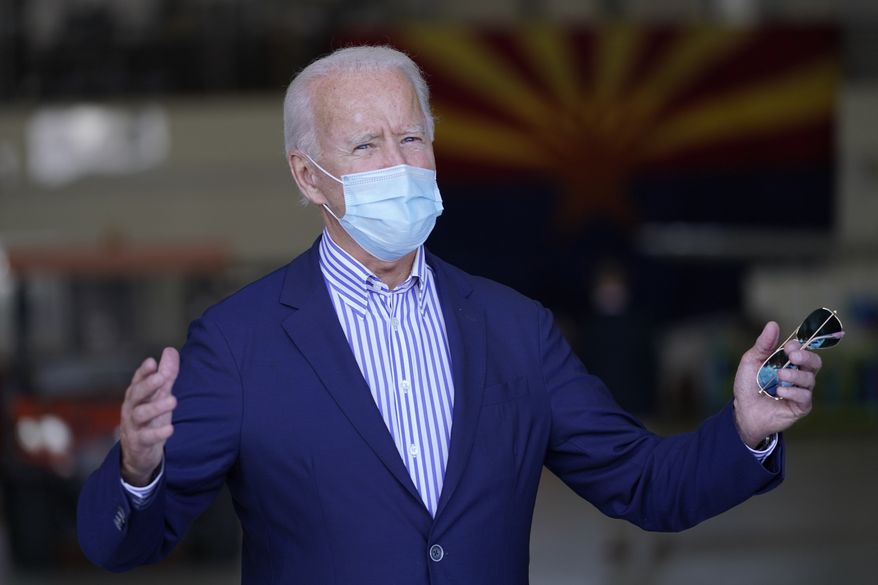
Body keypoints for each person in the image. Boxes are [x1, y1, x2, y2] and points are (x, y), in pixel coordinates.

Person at [77, 46, 820, 585]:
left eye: (411, 138)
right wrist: (137, 473)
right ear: (308, 176)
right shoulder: (239, 342)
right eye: (366, 145)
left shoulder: (516, 329)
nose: (398, 163)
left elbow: (645, 481)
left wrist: (745, 430)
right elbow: (126, 544)